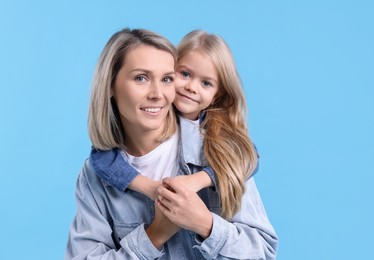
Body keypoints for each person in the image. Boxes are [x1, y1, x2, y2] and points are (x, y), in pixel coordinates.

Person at [65, 28, 278, 259]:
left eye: (166, 79)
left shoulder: (219, 151)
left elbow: (263, 253)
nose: (157, 94)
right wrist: (155, 235)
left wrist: (204, 223)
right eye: (141, 78)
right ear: (109, 86)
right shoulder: (95, 175)